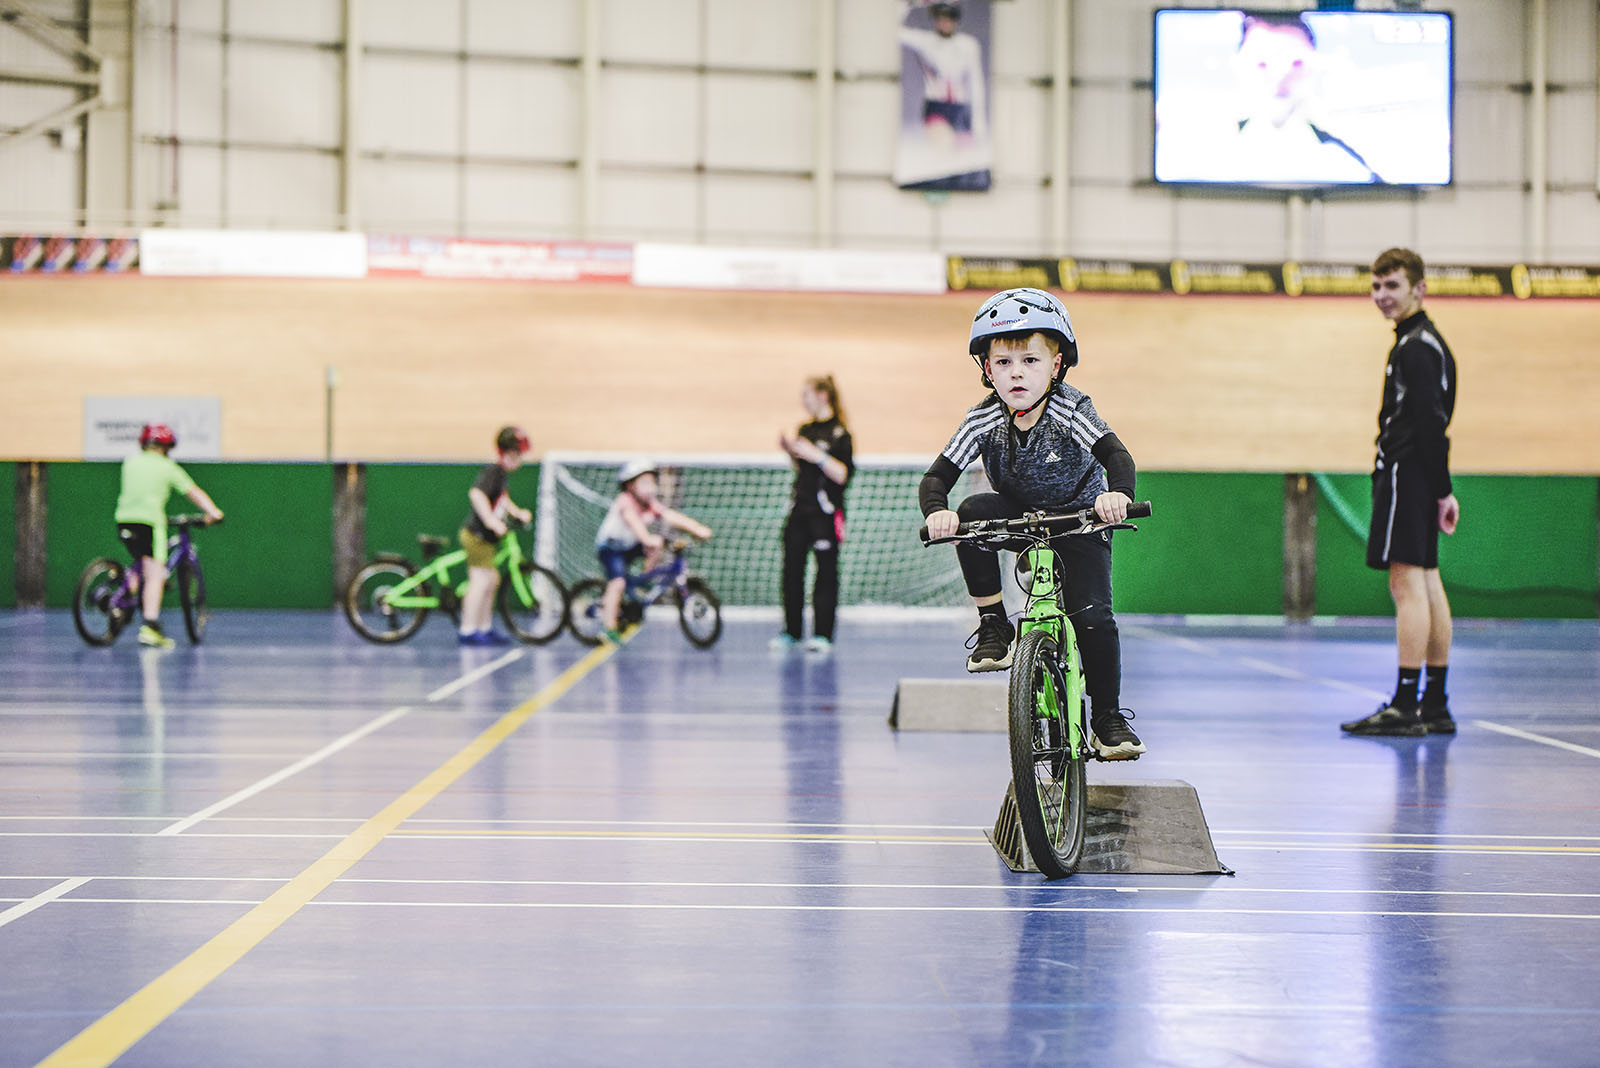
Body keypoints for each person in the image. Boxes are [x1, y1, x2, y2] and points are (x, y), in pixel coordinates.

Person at [920, 288, 1144, 759]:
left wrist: (1117, 496)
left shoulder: (1070, 407)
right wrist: (937, 511)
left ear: (1057, 364)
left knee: (1093, 618)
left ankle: (1107, 718)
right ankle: (994, 626)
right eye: (1002, 363)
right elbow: (939, 475)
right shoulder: (983, 418)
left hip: (1080, 520)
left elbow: (1115, 455)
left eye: (1030, 360)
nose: (1016, 372)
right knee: (970, 513)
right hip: (1019, 516)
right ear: (986, 369)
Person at [1342, 248, 1459, 737]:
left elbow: (1431, 421)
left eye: (1392, 286)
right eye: (1376, 287)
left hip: (1405, 474)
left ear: (1419, 289)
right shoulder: (1426, 341)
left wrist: (1440, 487)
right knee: (1427, 580)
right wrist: (1440, 489)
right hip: (1418, 478)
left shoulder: (1415, 346)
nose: (1382, 296)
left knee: (1406, 584)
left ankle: (1406, 705)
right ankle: (1434, 703)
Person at [113, 423, 224, 649]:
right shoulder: (167, 467)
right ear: (167, 447)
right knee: (155, 574)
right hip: (150, 522)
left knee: (141, 564)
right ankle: (150, 627)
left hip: (124, 519)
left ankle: (118, 602)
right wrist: (213, 512)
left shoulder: (130, 462)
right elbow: (193, 492)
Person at [774, 376, 854, 653]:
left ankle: (823, 635)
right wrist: (791, 452)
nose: (802, 400)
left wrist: (815, 455)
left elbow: (842, 474)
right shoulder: (805, 429)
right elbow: (803, 470)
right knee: (791, 574)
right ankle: (791, 632)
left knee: (826, 575)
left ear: (822, 396)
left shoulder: (840, 434)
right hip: (799, 512)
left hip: (825, 515)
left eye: (806, 394)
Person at [594, 460, 712, 646]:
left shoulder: (649, 503)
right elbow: (635, 525)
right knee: (617, 583)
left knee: (656, 546)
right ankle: (610, 628)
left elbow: (671, 516)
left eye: (652, 483)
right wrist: (649, 539)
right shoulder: (625, 502)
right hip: (612, 548)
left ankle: (644, 580)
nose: (650, 488)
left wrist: (697, 529)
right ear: (630, 485)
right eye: (644, 483)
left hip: (630, 546)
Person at [457, 426, 533, 646]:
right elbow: (477, 494)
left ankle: (484, 627)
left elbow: (503, 501)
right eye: (516, 455)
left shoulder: (501, 476)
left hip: (486, 540)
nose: (519, 460)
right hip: (477, 536)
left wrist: (518, 513)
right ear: (507, 453)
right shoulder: (493, 471)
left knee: (491, 580)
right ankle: (468, 629)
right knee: (480, 581)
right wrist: (491, 521)